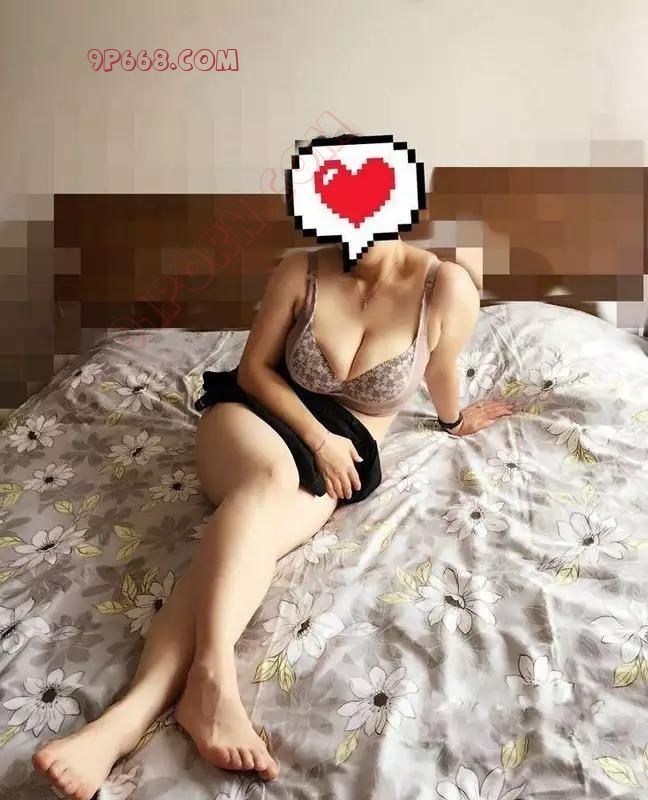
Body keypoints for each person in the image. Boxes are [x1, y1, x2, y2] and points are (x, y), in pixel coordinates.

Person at [32, 228, 514, 800]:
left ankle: (120, 725)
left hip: (345, 453)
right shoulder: (301, 271)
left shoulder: (445, 286)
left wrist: (454, 421)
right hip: (254, 417)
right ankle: (213, 677)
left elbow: (440, 365)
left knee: (239, 553)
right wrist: (318, 439)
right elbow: (253, 371)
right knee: (267, 482)